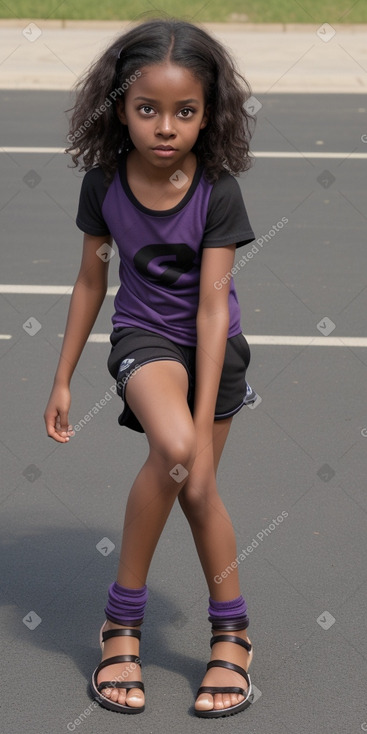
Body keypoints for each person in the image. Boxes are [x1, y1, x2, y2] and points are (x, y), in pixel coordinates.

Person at [44, 17, 258, 719]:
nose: (165, 127)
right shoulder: (104, 184)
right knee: (171, 453)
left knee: (197, 491)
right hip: (145, 339)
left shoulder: (216, 191)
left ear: (208, 114)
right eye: (147, 109)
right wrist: (64, 377)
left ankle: (232, 634)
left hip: (213, 348)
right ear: (118, 108)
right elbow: (88, 283)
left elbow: (210, 310)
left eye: (184, 112)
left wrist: (203, 427)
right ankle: (121, 623)